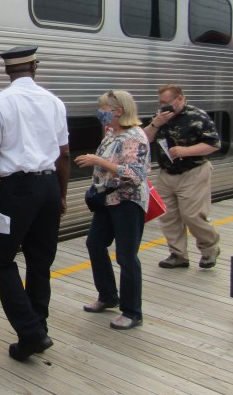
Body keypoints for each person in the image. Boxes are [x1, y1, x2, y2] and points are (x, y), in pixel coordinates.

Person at [0, 45, 69, 362]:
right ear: (34, 68)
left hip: (16, 192)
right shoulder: (54, 102)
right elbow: (64, 154)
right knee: (40, 263)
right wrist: (62, 194)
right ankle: (37, 329)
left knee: (1, 261)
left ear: (7, 71)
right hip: (50, 186)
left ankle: (31, 332)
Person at [75, 90, 150, 330]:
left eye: (105, 108)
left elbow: (135, 174)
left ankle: (132, 312)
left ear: (119, 111)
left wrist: (97, 161)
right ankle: (107, 296)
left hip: (128, 202)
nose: (101, 112)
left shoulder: (134, 136)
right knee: (94, 243)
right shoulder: (111, 134)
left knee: (127, 256)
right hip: (107, 201)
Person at [144, 84, 222, 269]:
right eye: (161, 102)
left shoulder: (198, 116)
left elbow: (214, 144)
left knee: (193, 215)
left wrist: (185, 151)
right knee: (168, 216)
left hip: (193, 172)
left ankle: (210, 249)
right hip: (166, 173)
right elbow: (145, 138)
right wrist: (156, 123)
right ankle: (178, 255)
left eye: (167, 102)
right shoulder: (160, 117)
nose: (163, 106)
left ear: (179, 99)